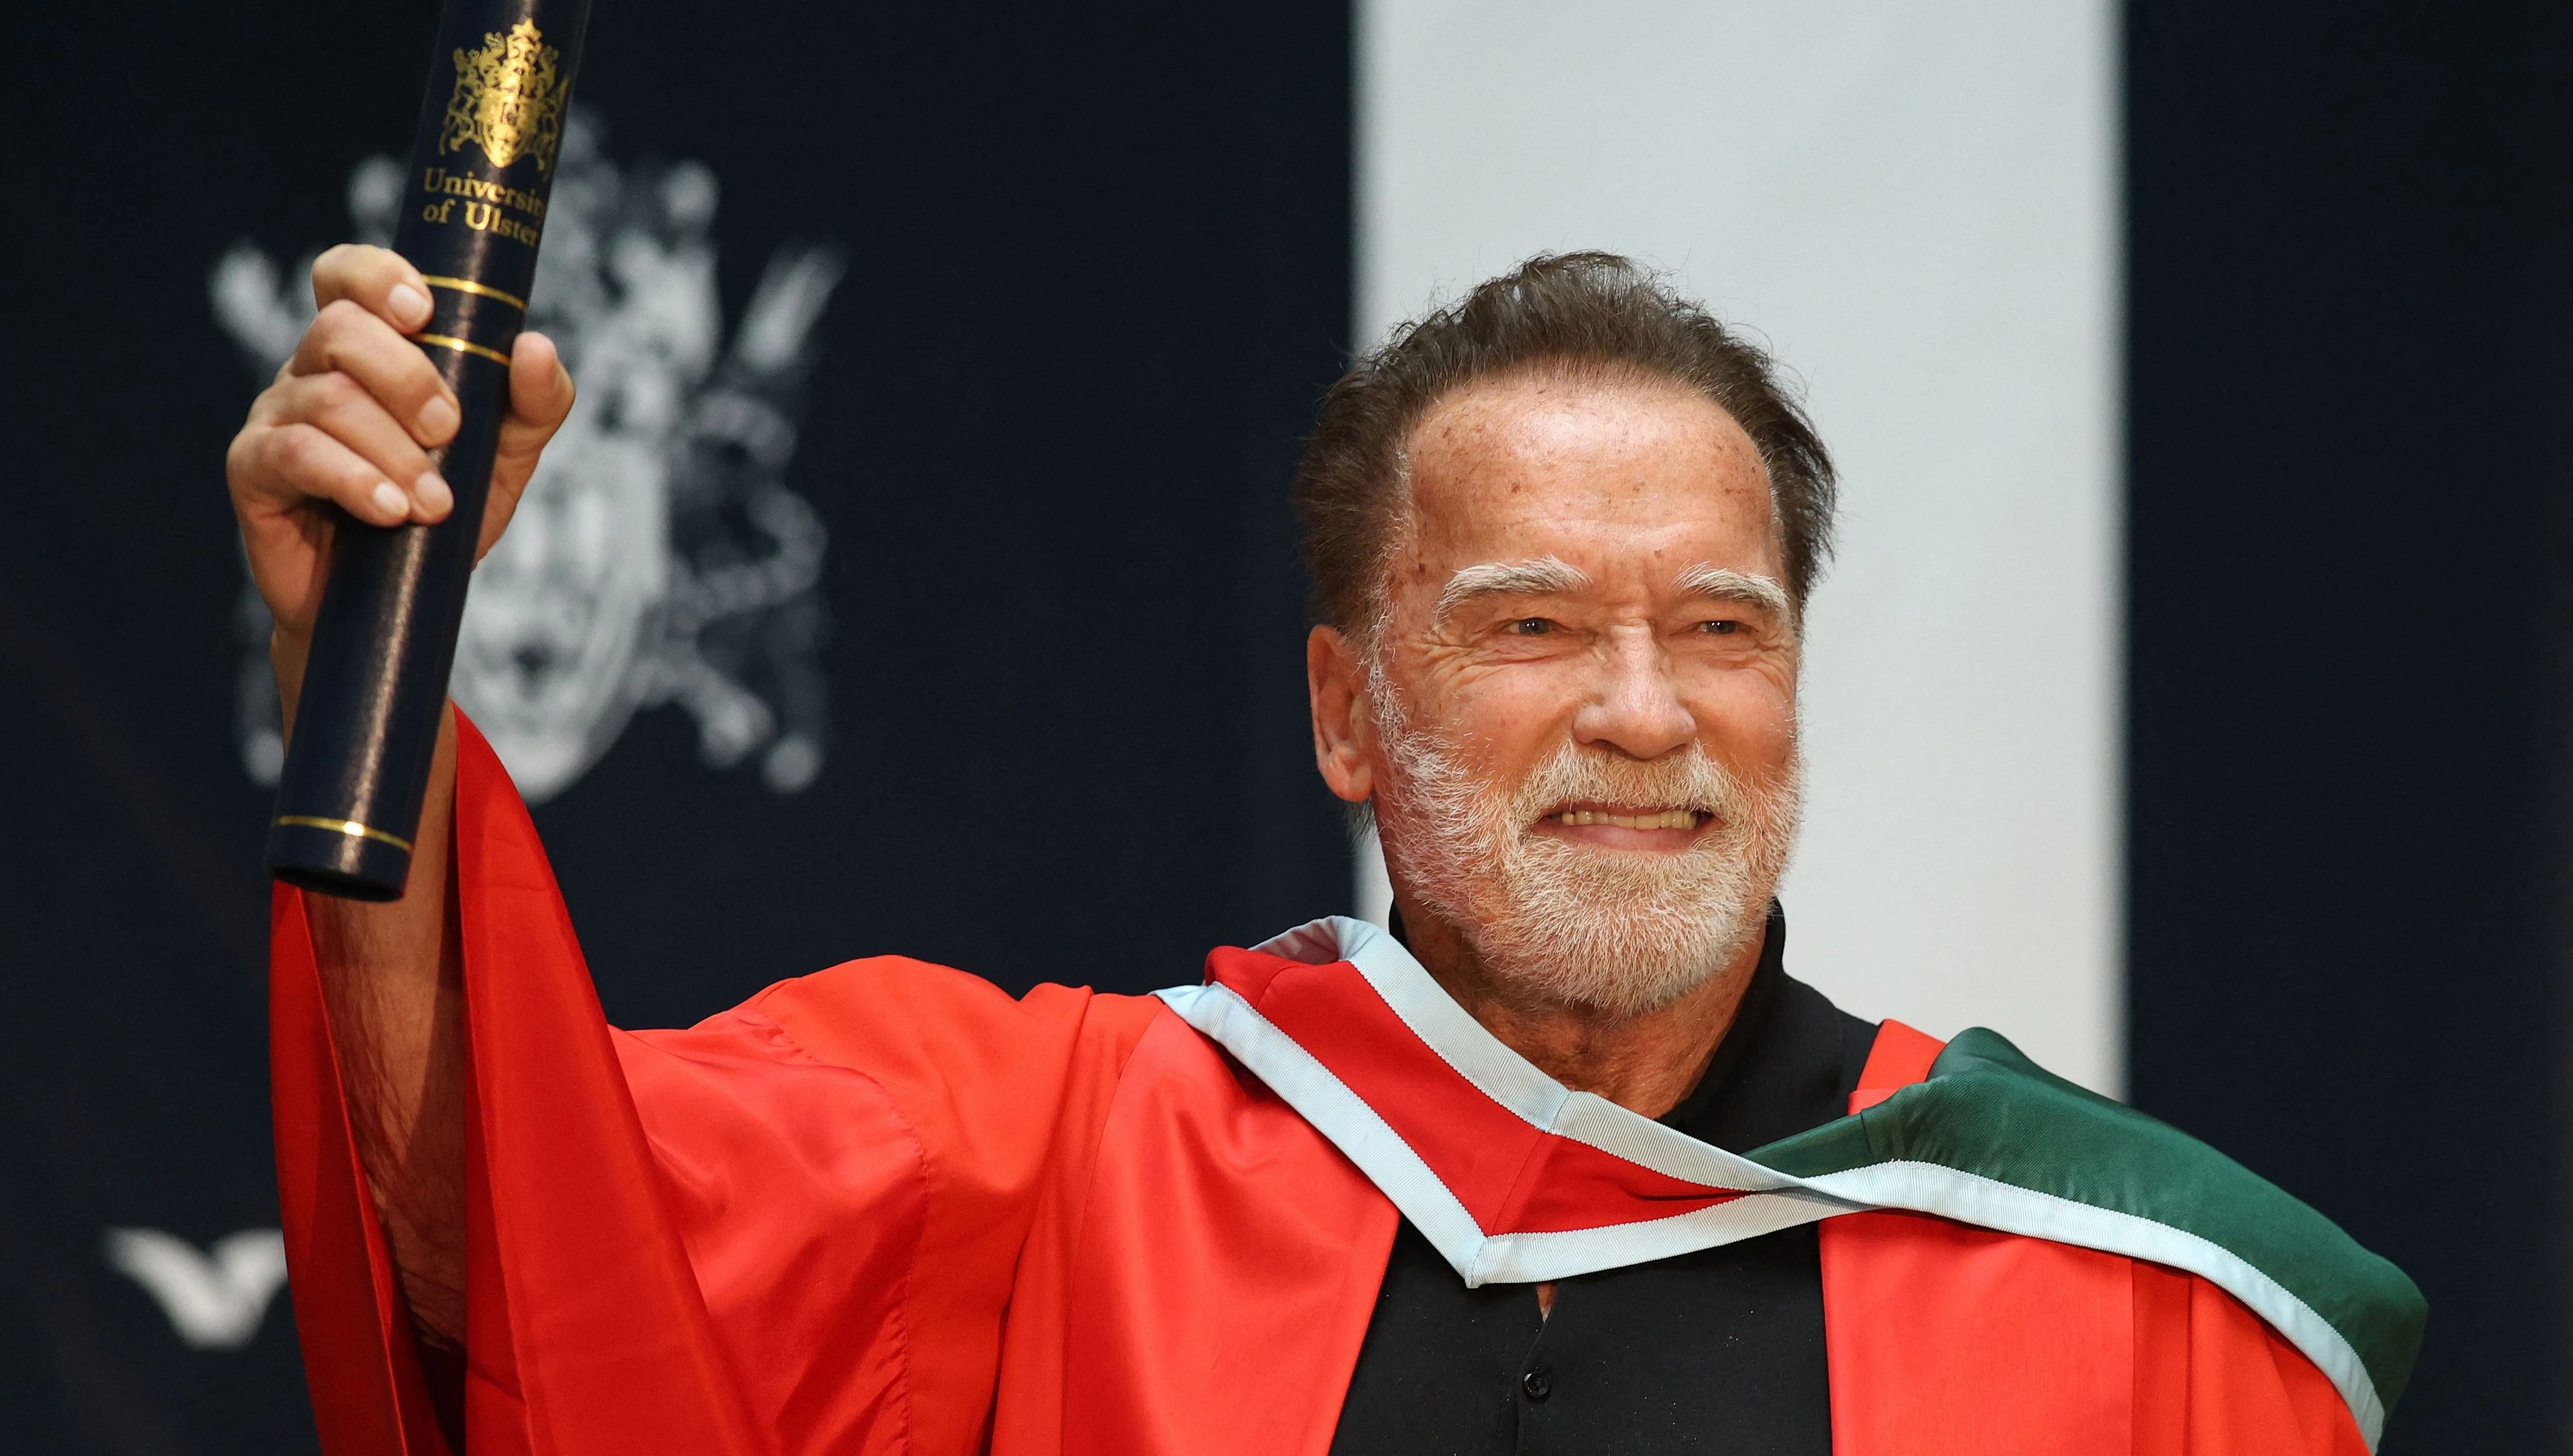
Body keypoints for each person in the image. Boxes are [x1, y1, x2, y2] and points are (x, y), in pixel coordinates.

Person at [228, 246, 2422, 1456]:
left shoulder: (2130, 1310)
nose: (1645, 712)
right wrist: (371, 671)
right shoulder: (1055, 1166)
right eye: (1532, 627)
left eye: (1721, 631)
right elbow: (519, 1242)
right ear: (1346, 715)